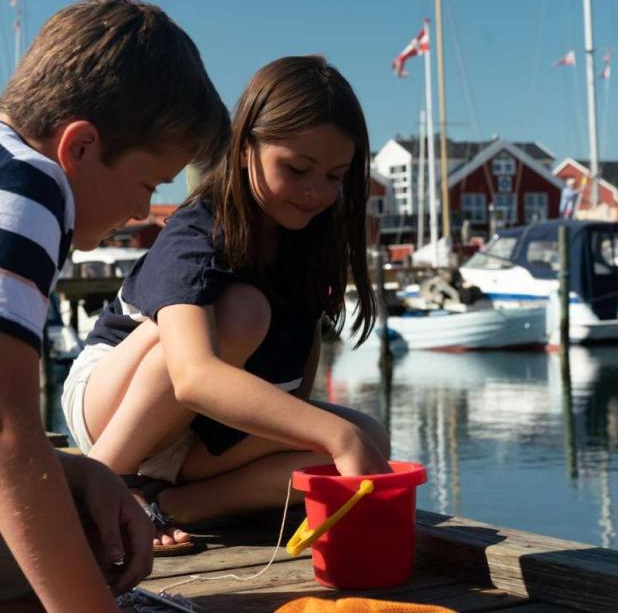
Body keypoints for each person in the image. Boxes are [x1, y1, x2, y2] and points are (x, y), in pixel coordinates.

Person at [61, 55, 392, 552]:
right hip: (115, 407)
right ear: (244, 148)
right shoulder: (197, 230)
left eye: (335, 176)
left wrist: (341, 439)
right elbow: (192, 375)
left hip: (200, 432)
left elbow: (297, 380)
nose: (316, 191)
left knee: (370, 436)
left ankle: (170, 506)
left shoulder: (309, 241)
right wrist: (336, 437)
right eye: (297, 168)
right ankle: (104, 483)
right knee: (242, 313)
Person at [0, 0, 230, 612]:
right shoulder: (29, 187)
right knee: (72, 530)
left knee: (70, 496)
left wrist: (82, 470)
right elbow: (4, 433)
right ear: (79, 147)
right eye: (146, 184)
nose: (138, 210)